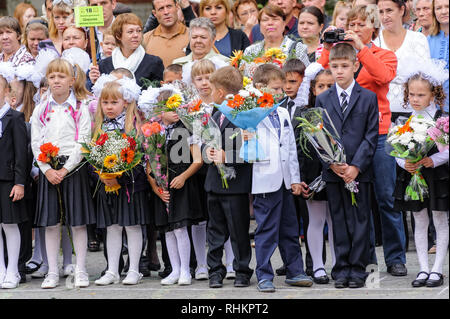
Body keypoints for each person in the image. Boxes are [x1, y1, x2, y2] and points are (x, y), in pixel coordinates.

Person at [321, 4, 409, 277]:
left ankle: (395, 257)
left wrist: (361, 48)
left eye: (361, 24)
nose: (355, 29)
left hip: (379, 134)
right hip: (347, 137)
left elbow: (384, 76)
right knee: (359, 199)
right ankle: (365, 257)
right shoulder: (340, 55)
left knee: (385, 197)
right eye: (351, 24)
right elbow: (325, 71)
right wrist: (329, 43)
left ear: (373, 27)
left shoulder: (383, 54)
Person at [315, 43, 379, 289]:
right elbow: (317, 135)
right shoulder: (322, 99)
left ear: (355, 66)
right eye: (334, 66)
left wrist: (355, 167)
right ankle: (341, 268)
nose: (339, 71)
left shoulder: (368, 98)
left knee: (360, 219)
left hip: (358, 172)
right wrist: (331, 164)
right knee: (338, 219)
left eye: (344, 66)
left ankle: (358, 268)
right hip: (334, 172)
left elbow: (371, 136)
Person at [30, 58, 96, 289]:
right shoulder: (41, 109)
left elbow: (83, 141)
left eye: (61, 76)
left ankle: (80, 270)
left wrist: (66, 168)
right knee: (51, 224)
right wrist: (47, 170)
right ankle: (53, 271)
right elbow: (36, 143)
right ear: (47, 81)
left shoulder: (79, 108)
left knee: (77, 223)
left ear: (71, 80)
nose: (56, 81)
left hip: (73, 169)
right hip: (49, 170)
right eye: (52, 77)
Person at [250, 63, 313, 292]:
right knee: (266, 228)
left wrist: (295, 179)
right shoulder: (250, 112)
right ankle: (264, 274)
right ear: (259, 87)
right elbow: (240, 145)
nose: (281, 92)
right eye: (275, 88)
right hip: (265, 179)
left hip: (285, 181)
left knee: (290, 227)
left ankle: (295, 270)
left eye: (282, 87)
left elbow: (290, 149)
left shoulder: (284, 111)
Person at [392, 61, 448, 288]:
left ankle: (437, 268)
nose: (415, 99)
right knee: (419, 219)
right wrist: (404, 162)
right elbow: (395, 147)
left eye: (421, 95)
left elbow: (447, 149)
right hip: (414, 176)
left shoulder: (442, 119)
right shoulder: (405, 121)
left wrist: (431, 160)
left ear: (433, 94)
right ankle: (423, 268)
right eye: (411, 94)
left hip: (436, 175)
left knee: (440, 219)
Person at [92, 78, 150, 286]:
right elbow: (93, 155)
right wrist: (102, 174)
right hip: (107, 185)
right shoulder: (98, 126)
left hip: (131, 184)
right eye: (105, 102)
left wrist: (121, 173)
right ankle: (112, 270)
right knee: (113, 227)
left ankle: (133, 269)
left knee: (132, 226)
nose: (109, 107)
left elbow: (141, 156)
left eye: (113, 102)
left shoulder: (134, 125)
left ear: (125, 102)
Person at [205, 66, 253, 289]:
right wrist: (208, 151)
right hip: (215, 183)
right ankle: (215, 270)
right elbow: (208, 140)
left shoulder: (245, 115)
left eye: (213, 89)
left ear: (221, 91)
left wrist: (228, 155)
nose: (210, 92)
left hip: (236, 185)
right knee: (214, 231)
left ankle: (242, 270)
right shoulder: (216, 114)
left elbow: (252, 150)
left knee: (238, 230)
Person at [189, 60, 236, 280]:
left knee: (224, 217)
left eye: (209, 77)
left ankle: (231, 261)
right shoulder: (191, 107)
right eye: (199, 78)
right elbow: (190, 138)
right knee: (200, 219)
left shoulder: (223, 104)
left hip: (223, 164)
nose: (204, 82)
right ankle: (201, 264)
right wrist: (200, 154)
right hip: (197, 168)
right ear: (193, 82)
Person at [375, 0, 431, 120]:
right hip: (379, 111)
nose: (385, 16)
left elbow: (424, 78)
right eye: (381, 12)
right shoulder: (373, 41)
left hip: (413, 111)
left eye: (389, 10)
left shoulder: (418, 39)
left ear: (401, 10)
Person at [0, 62, 28, 289]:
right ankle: (0, 269)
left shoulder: (15, 117)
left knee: (10, 225)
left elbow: (21, 154)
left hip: (8, 181)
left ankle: (13, 271)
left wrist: (20, 182)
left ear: (7, 91)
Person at [88, 13, 164, 88]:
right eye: (130, 32)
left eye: (139, 31)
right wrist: (94, 82)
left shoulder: (154, 62)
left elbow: (159, 95)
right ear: (118, 36)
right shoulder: (103, 65)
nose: (136, 35)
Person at [243, 4, 310, 68]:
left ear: (284, 24)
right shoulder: (250, 51)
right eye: (265, 20)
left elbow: (307, 76)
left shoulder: (298, 49)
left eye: (275, 19)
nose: (270, 23)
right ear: (259, 26)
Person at [143, 0, 190, 67]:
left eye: (169, 6)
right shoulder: (145, 39)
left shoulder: (193, 36)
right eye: (161, 8)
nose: (166, 12)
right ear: (154, 13)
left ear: (177, 7)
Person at [428, 0, 449, 113]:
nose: (444, 11)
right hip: (434, 109)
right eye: (439, 8)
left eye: (447, 6)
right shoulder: (428, 40)